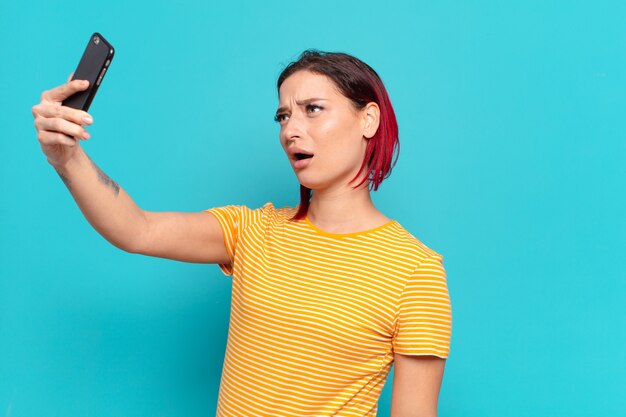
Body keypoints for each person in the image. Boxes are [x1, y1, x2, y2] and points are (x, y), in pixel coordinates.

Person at [32, 49, 452, 416]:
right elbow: (137, 229)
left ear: (369, 118)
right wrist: (66, 157)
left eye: (313, 109)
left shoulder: (415, 271)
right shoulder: (252, 230)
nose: (290, 130)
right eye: (283, 116)